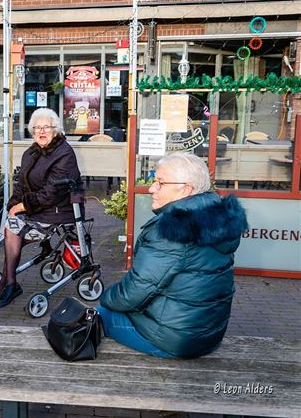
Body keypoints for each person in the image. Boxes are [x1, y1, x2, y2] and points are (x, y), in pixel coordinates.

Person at [97, 152, 248, 358]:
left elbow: (135, 292)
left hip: (175, 340)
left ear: (185, 189)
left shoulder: (172, 229)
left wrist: (104, 297)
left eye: (160, 182)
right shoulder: (216, 215)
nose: (152, 188)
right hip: (208, 335)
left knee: (97, 314)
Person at [0, 108, 82, 310]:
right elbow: (21, 185)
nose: (41, 131)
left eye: (46, 127)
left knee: (12, 231)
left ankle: (7, 284)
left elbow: (52, 193)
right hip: (38, 210)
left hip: (58, 212)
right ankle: (8, 284)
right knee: (11, 230)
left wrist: (22, 206)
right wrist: (12, 205)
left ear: (56, 130)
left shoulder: (64, 154)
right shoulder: (31, 152)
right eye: (37, 128)